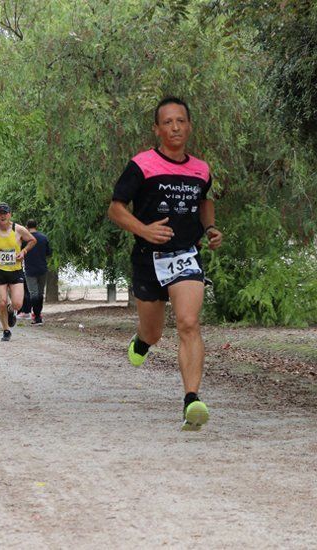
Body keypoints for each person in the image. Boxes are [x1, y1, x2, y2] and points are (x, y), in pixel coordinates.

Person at [107, 97, 222, 432]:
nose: (175, 127)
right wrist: (143, 230)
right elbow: (116, 208)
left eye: (181, 121)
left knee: (188, 323)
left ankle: (192, 400)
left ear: (189, 126)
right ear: (157, 129)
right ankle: (142, 341)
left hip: (185, 254)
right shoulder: (142, 165)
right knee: (154, 332)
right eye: (168, 122)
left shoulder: (201, 169)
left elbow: (205, 202)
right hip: (148, 258)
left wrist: (211, 228)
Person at [0, 203, 36, 341]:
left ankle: (11, 311)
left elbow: (33, 240)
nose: (2, 215)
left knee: (17, 304)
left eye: (5, 213)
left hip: (15, 271)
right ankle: (6, 330)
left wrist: (24, 251)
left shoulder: (19, 229)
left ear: (10, 214)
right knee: (2, 302)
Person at [23, 219, 52, 325]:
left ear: (27, 227)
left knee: (33, 294)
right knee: (40, 294)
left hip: (30, 270)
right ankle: (38, 316)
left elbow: (20, 253)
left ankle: (37, 316)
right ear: (36, 226)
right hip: (42, 269)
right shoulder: (44, 238)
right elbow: (49, 253)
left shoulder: (24, 239)